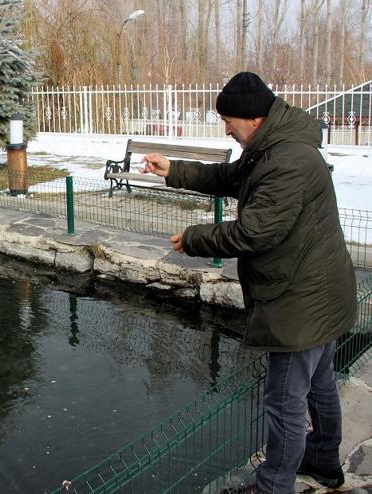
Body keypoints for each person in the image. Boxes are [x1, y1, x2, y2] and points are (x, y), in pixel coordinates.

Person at [141, 72, 357, 494]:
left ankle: (273, 485)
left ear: (253, 118)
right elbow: (228, 178)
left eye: (228, 120)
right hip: (323, 292)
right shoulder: (272, 147)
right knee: (321, 383)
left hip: (300, 304)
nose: (225, 129)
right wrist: (174, 169)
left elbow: (254, 233)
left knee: (284, 403)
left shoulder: (288, 161)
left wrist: (195, 238)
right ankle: (324, 463)